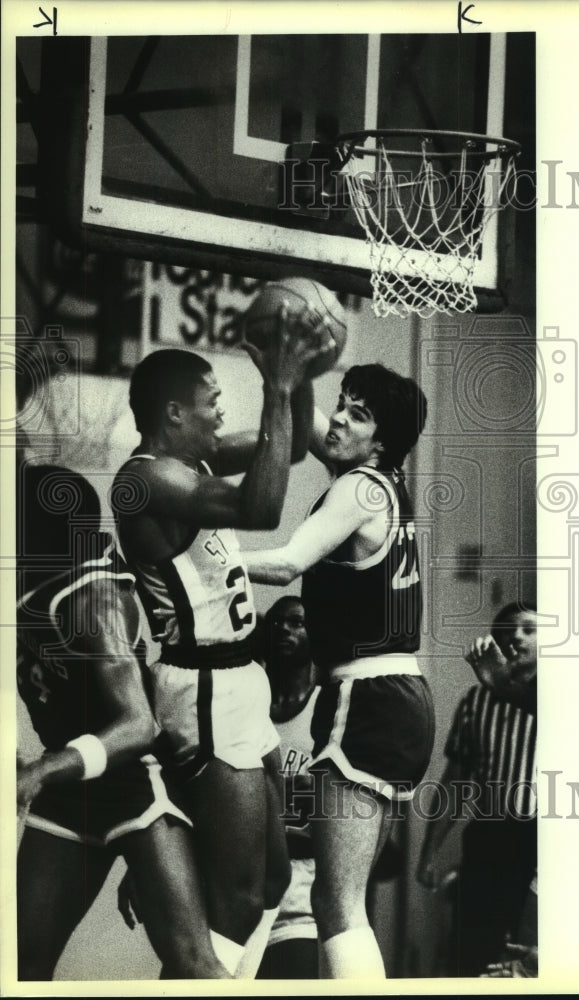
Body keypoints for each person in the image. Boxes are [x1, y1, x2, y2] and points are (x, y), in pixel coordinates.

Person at [111, 310, 330, 976]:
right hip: (202, 689)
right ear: (174, 414)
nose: (219, 412)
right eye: (211, 403)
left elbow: (285, 449)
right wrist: (279, 387)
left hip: (240, 683)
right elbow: (257, 509)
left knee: (267, 883)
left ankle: (183, 924)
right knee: (236, 901)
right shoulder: (148, 479)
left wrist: (300, 377)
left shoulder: (191, 457)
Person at [244, 362, 434, 979]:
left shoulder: (356, 489)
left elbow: (288, 563)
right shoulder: (383, 483)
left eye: (359, 413)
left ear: (380, 439)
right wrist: (294, 367)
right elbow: (311, 425)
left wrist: (207, 557)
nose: (342, 419)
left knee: (336, 901)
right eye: (343, 403)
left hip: (368, 694)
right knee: (343, 903)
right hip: (400, 696)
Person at [16, 463, 227, 980]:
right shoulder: (32, 586)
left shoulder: (93, 598)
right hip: (73, 789)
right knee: (21, 968)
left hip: (135, 782)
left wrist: (40, 771)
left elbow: (139, 725)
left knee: (195, 964)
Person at [417, 602, 538, 977]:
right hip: (489, 839)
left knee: (527, 952)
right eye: (504, 633)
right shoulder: (476, 701)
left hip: (543, 843)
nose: (515, 637)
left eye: (528, 630)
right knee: (474, 954)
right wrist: (430, 851)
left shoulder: (564, 696)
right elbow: (455, 782)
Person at [251, 596, 321, 980]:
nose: (284, 630)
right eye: (277, 623)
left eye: (296, 622)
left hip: (302, 884)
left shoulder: (327, 705)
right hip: (244, 875)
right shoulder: (248, 702)